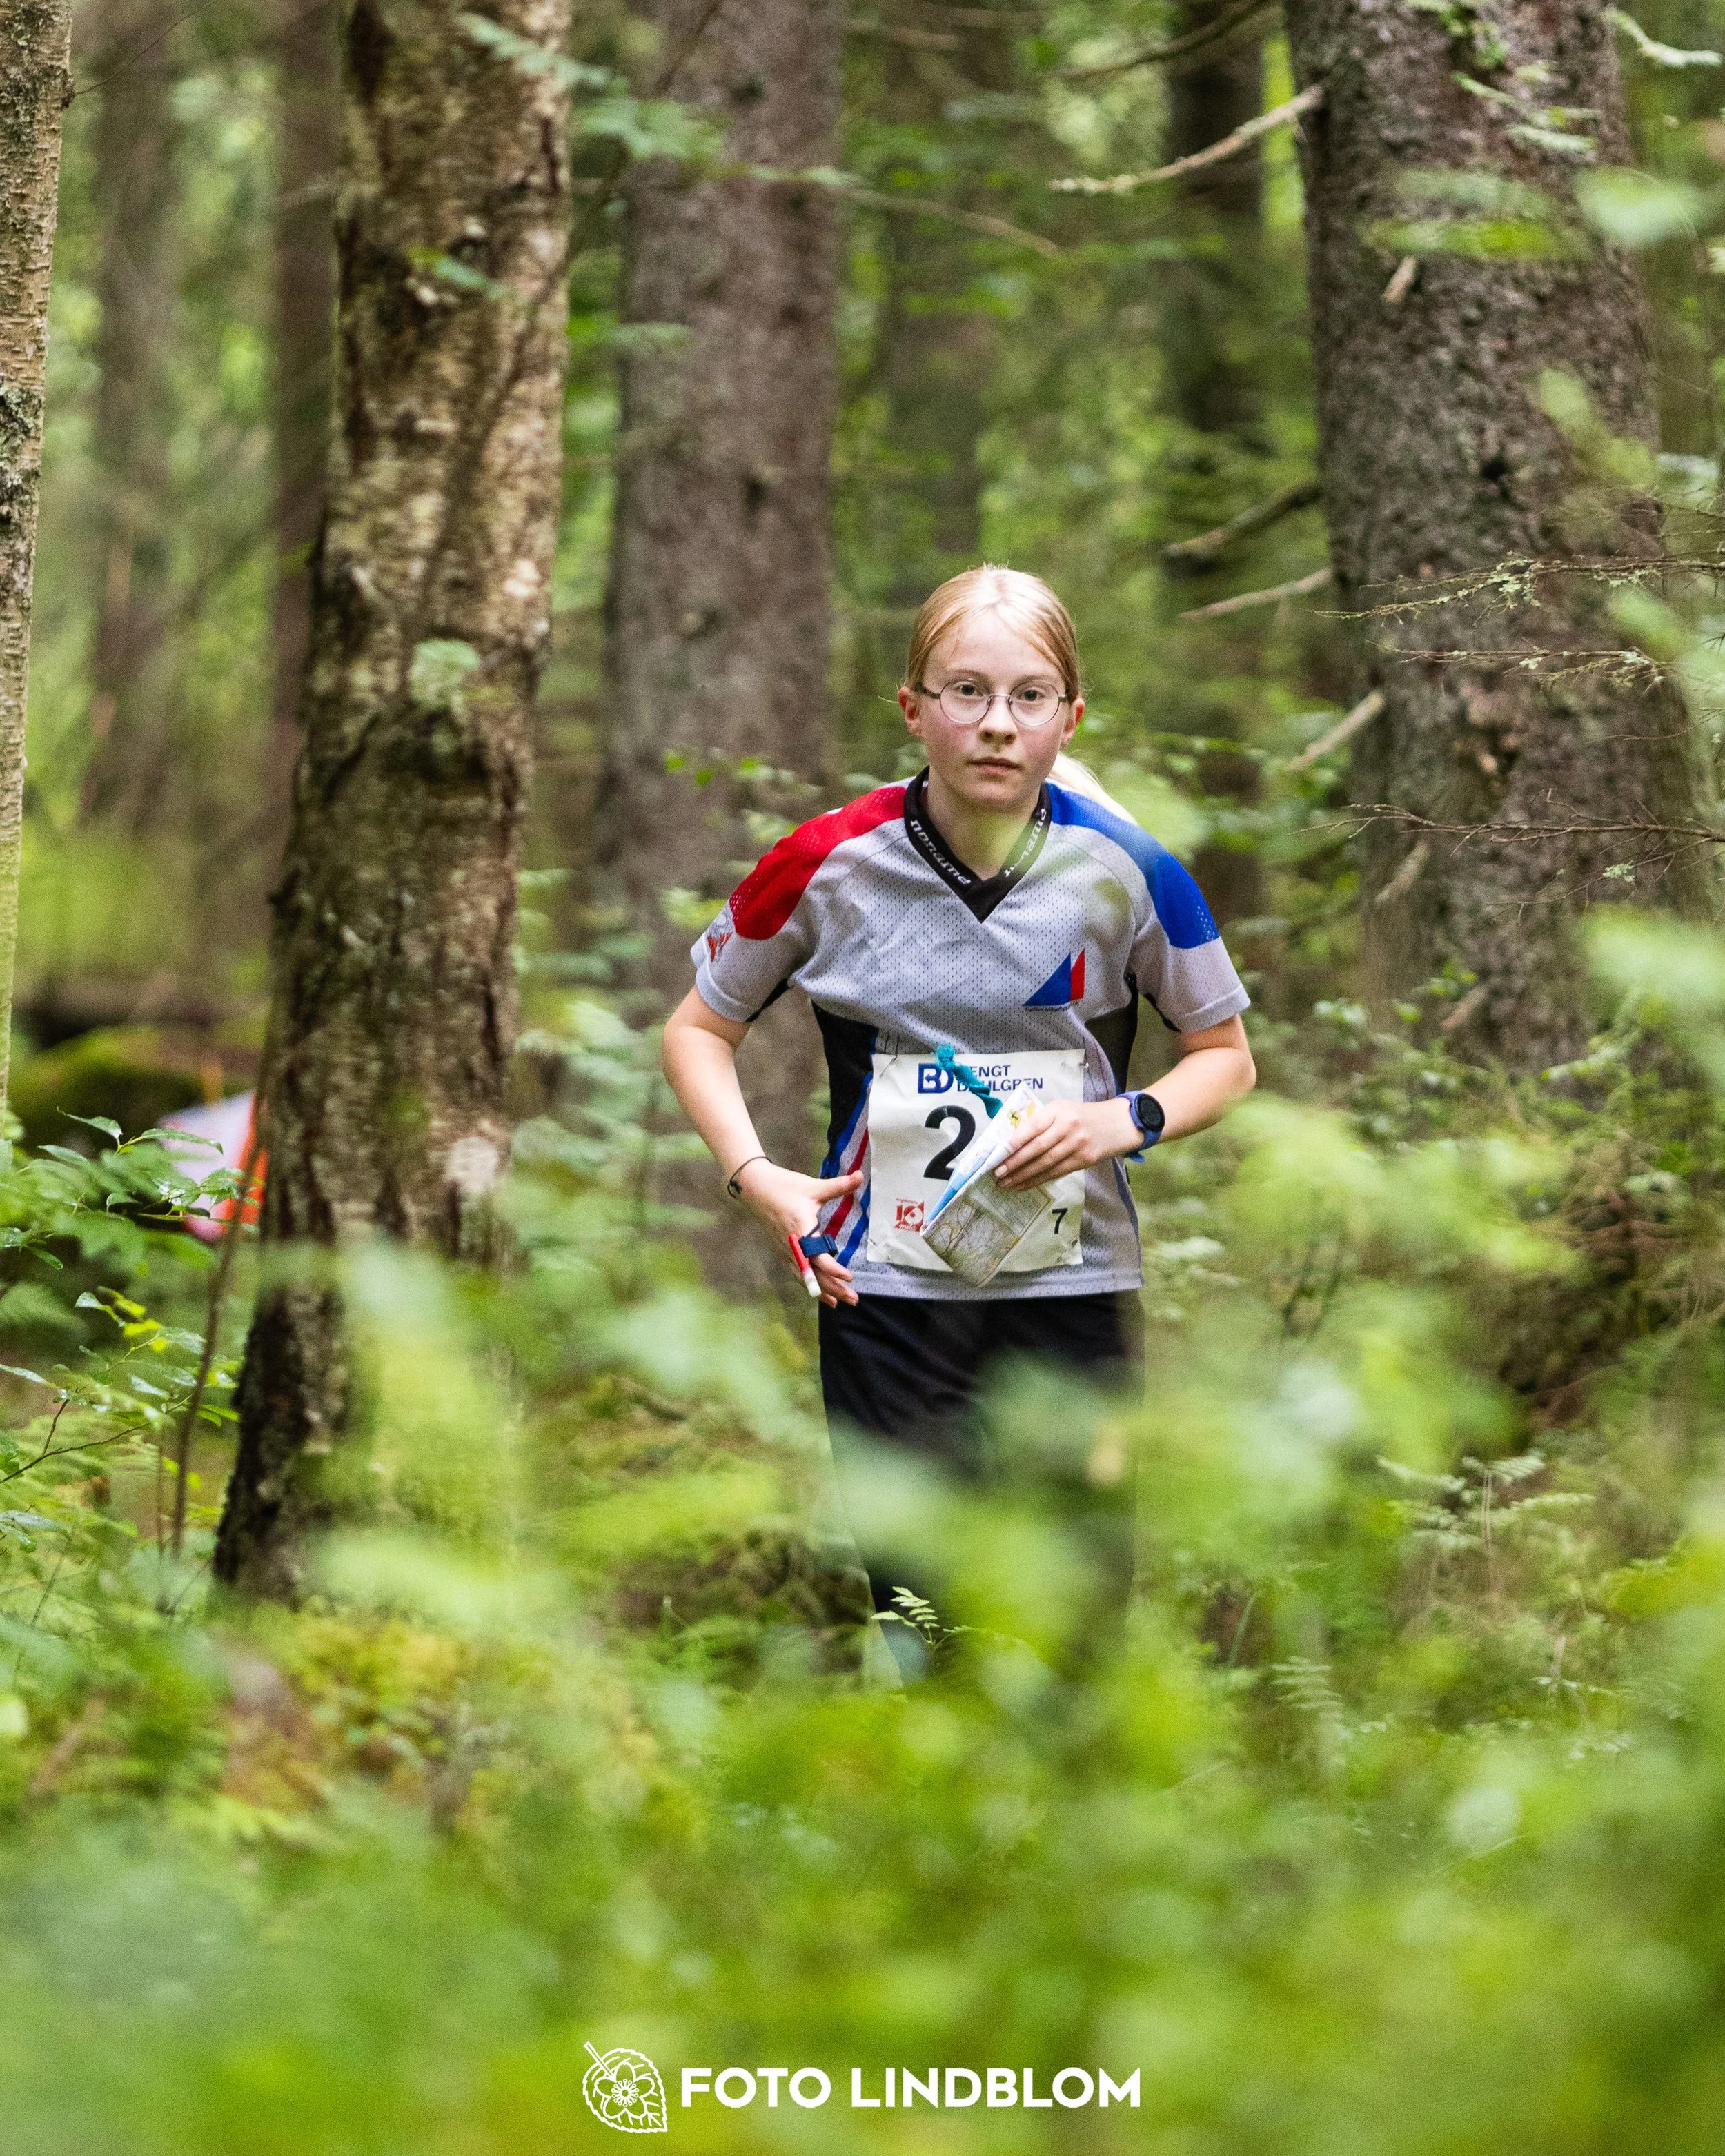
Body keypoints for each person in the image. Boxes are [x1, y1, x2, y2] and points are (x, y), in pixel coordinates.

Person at [661, 565, 1256, 1658]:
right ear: (914, 707)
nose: (996, 725)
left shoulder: (1130, 868)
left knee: (1076, 1620)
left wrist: (1130, 1118)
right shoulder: (826, 861)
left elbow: (1224, 1058)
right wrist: (759, 1178)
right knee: (921, 1610)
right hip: (882, 1289)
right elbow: (697, 1028)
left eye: (1030, 697)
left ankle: (1064, 1823)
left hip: (1075, 1288)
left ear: (1071, 718)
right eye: (966, 692)